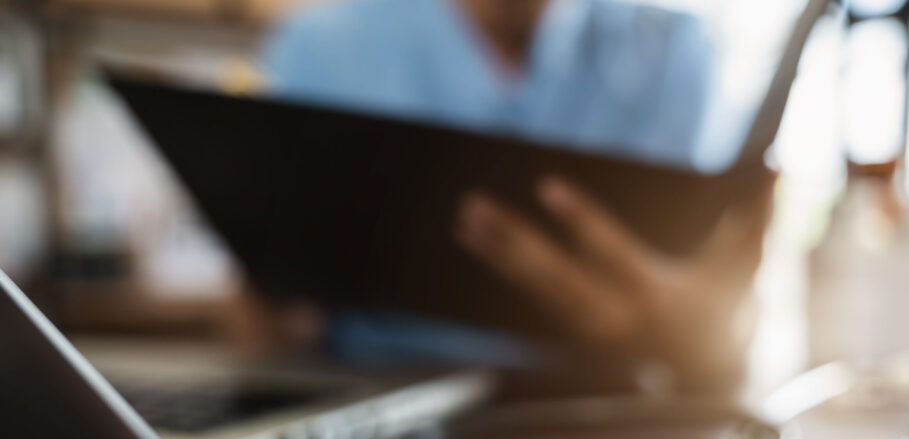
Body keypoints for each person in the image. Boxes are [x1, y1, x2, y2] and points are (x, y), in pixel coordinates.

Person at [262, 0, 776, 392]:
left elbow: (718, 329)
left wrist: (698, 338)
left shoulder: (677, 52)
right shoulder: (318, 49)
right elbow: (274, 315)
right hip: (365, 409)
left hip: (604, 415)